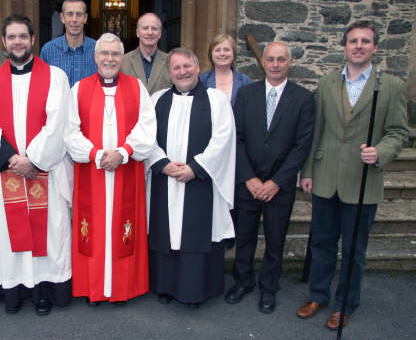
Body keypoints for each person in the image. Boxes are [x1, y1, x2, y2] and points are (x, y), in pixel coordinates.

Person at [296, 20, 408, 329]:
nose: (358, 46)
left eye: (365, 41)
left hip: (362, 180)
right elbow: (316, 130)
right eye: (353, 41)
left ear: (375, 47)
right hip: (326, 177)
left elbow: (399, 132)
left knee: (354, 249)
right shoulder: (328, 83)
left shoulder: (390, 87)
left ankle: (346, 302)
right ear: (344, 47)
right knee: (321, 243)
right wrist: (308, 170)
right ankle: (318, 294)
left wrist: (380, 152)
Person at [0, 14, 73, 316]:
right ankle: (14, 292)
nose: (17, 42)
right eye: (12, 37)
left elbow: (59, 124)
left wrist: (35, 160)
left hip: (46, 173)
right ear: (4, 41)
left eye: (23, 36)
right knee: (9, 234)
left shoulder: (55, 77)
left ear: (32, 40)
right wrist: (12, 160)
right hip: (9, 174)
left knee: (47, 234)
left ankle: (43, 292)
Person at [65, 33, 157, 305]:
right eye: (104, 53)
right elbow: (69, 132)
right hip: (91, 173)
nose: (109, 59)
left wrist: (124, 152)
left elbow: (147, 127)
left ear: (122, 57)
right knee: (92, 231)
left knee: (122, 227)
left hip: (125, 172)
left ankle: (121, 289)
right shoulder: (78, 89)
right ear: (95, 57)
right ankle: (93, 287)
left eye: (115, 54)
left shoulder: (137, 88)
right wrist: (94, 154)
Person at [227, 41, 315, 314]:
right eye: (270, 59)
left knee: (275, 239)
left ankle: (269, 287)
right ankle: (243, 280)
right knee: (244, 236)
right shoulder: (246, 94)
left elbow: (303, 145)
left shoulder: (303, 98)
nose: (275, 64)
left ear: (290, 63)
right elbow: (236, 138)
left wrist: (276, 181)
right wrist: (249, 178)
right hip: (248, 182)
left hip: (280, 185)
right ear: (262, 63)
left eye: (281, 59)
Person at [146, 48, 236, 308]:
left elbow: (223, 138)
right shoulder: (157, 99)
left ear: (197, 68)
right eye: (176, 68)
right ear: (170, 72)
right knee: (166, 230)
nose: (182, 71)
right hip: (166, 179)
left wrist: (195, 168)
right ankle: (164, 286)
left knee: (195, 232)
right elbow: (146, 137)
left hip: (200, 182)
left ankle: (194, 291)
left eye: (187, 66)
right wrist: (163, 164)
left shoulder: (215, 99)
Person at [40, 0, 97, 86]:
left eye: (79, 14)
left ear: (85, 18)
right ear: (62, 17)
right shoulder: (48, 50)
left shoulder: (98, 49)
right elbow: (42, 85)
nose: (74, 20)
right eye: (70, 14)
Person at [121, 13, 171, 95]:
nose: (150, 32)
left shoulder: (170, 62)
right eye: (145, 28)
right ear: (137, 33)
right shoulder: (123, 62)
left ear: (160, 34)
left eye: (154, 29)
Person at [199, 34, 252, 107]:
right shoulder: (201, 80)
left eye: (226, 50)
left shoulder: (245, 81)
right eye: (217, 50)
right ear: (211, 54)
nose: (222, 54)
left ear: (233, 54)